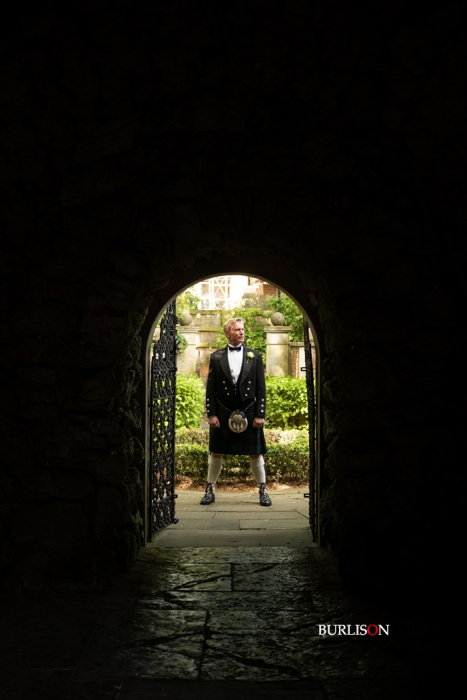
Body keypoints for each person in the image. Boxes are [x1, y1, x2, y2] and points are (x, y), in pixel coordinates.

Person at [200, 317, 272, 506]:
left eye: (242, 329)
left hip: (248, 410)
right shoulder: (216, 357)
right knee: (216, 451)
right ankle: (210, 488)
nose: (242, 333)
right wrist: (212, 414)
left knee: (255, 453)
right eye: (237, 330)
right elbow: (211, 389)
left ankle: (263, 489)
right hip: (224, 411)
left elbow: (260, 388)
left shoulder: (254, 356)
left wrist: (260, 414)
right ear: (227, 333)